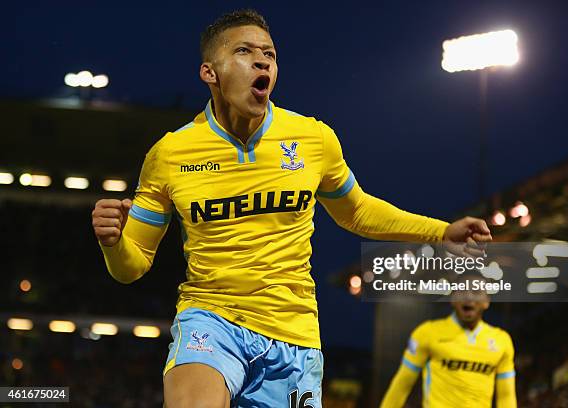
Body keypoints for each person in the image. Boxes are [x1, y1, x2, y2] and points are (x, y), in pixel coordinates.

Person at [91, 9, 492, 408]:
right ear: (209, 73)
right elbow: (132, 266)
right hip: (210, 319)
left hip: (294, 333)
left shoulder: (312, 139)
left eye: (270, 53)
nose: (263, 60)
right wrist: (113, 242)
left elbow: (357, 211)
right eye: (245, 51)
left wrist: (440, 231)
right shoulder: (170, 154)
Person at [380, 275, 517, 408]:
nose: (468, 297)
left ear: (487, 301)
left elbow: (506, 396)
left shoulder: (501, 340)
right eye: (462, 290)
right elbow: (402, 384)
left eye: (476, 291)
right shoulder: (427, 333)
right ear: (452, 298)